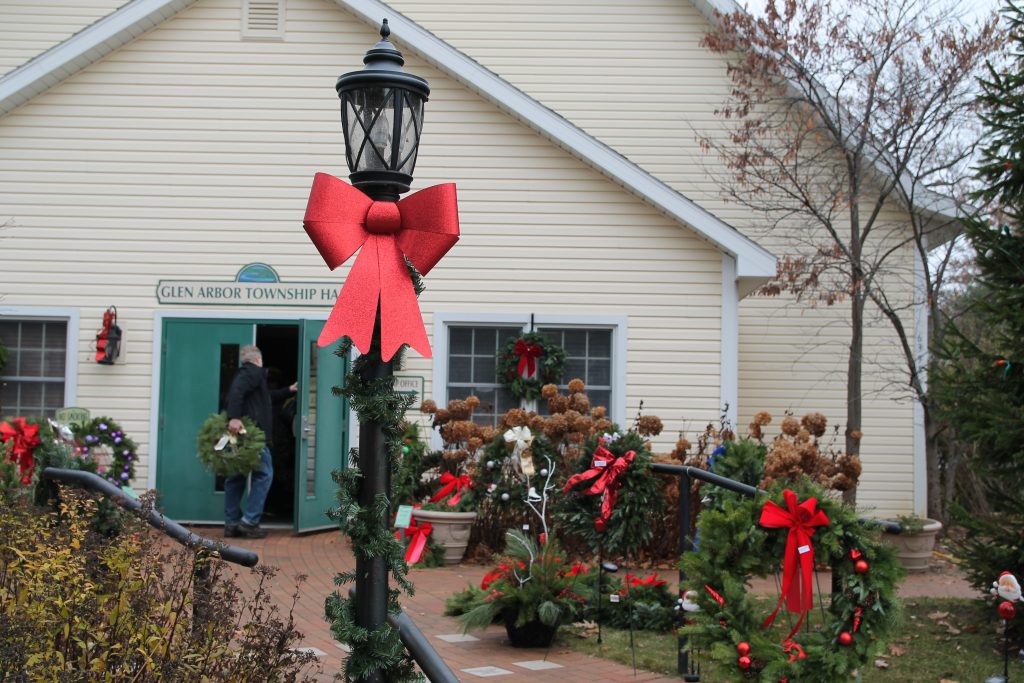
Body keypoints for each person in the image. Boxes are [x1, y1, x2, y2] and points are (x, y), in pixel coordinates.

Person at [224, 345, 297, 539]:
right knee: (264, 474)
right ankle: (249, 522)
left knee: (236, 476)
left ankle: (231, 523)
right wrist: (234, 417)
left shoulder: (249, 376)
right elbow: (236, 393)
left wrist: (289, 390)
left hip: (241, 435)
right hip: (252, 436)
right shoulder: (253, 372)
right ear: (258, 360)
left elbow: (266, 398)